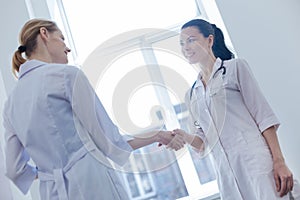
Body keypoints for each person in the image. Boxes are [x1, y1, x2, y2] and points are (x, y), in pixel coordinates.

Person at [2, 18, 185, 200]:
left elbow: (14, 169)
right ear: (44, 34)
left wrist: (49, 174)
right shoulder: (67, 76)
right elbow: (109, 142)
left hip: (51, 193)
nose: (68, 48)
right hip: (92, 184)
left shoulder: (10, 106)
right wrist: (157, 135)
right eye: (62, 38)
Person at [170, 18, 300, 199]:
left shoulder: (234, 68)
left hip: (257, 164)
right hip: (226, 175)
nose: (186, 47)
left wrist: (279, 161)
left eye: (191, 40)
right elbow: (202, 144)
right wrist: (184, 136)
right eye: (182, 43)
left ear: (209, 40)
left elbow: (264, 117)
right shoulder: (192, 94)